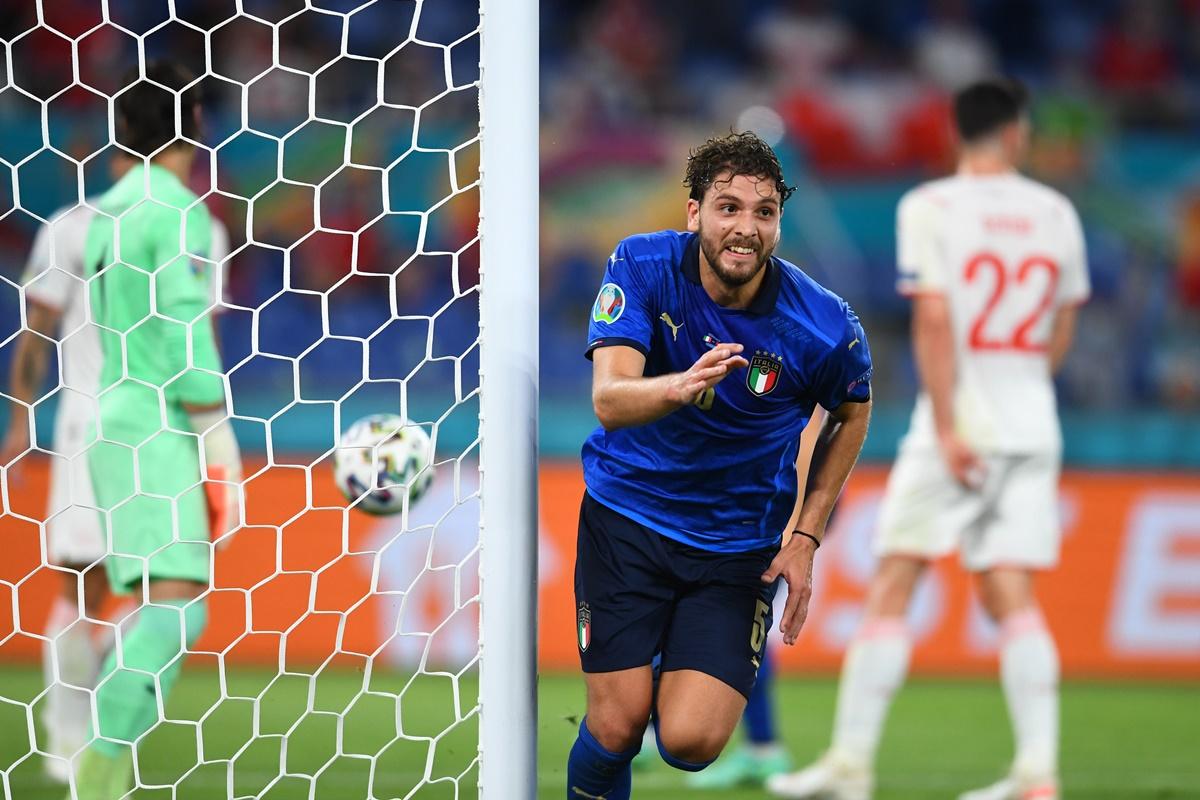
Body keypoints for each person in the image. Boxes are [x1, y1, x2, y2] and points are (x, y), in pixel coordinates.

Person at [768, 78, 1089, 800]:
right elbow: (1063, 324)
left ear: (957, 134)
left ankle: (850, 766)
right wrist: (1026, 392)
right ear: (1015, 134)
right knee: (1011, 592)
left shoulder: (931, 206)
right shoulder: (1056, 213)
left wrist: (947, 425)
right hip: (1032, 423)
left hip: (959, 422)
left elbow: (936, 321)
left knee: (893, 582)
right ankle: (1039, 774)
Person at [566, 131, 873, 800]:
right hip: (628, 521)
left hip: (738, 549)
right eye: (728, 207)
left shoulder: (823, 324)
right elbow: (610, 401)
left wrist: (807, 536)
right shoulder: (642, 264)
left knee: (690, 743)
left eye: (764, 212)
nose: (745, 228)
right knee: (616, 728)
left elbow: (853, 409)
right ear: (693, 212)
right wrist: (675, 387)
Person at [1, 152, 230, 782]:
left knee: (158, 591)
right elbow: (38, 326)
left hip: (163, 431)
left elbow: (196, 336)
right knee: (84, 586)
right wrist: (20, 420)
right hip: (87, 425)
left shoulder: (200, 227)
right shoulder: (71, 225)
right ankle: (66, 739)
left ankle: (108, 731)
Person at [67, 60, 242, 800]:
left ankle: (102, 758)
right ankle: (98, 770)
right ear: (195, 125)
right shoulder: (176, 208)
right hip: (160, 421)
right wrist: (216, 438)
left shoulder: (107, 210)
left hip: (114, 416)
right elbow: (181, 327)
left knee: (159, 603)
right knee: (178, 607)